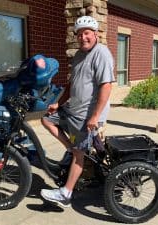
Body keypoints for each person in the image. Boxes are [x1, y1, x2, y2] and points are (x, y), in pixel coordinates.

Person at [40, 16, 115, 208]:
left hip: (87, 116)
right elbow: (72, 83)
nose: (83, 37)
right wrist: (59, 104)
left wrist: (96, 116)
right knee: (47, 119)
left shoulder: (101, 54)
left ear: (95, 34)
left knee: (79, 155)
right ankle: (71, 148)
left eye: (87, 33)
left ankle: (65, 194)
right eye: (80, 34)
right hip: (73, 110)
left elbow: (106, 86)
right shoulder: (79, 55)